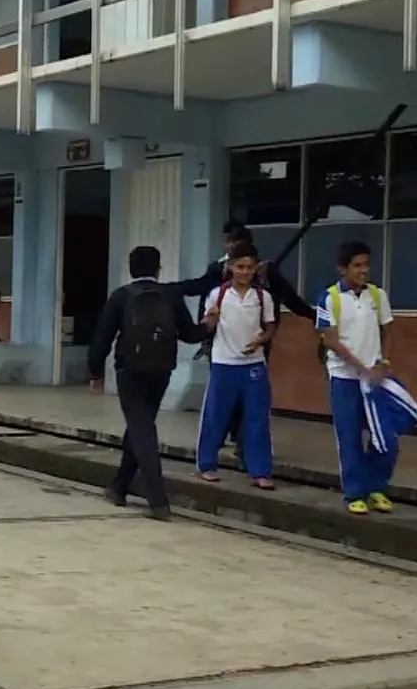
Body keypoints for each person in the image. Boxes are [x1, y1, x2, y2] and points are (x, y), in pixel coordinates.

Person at [87, 245, 206, 521]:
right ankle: (119, 487)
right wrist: (208, 325)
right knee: (140, 425)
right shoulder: (170, 295)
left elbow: (102, 337)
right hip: (162, 370)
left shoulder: (121, 296)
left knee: (142, 429)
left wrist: (95, 373)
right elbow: (189, 334)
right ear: (158, 269)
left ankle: (158, 501)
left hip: (130, 371)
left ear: (130, 269)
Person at [176, 219, 314, 455]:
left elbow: (289, 297)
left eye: (236, 244)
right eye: (228, 244)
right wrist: (172, 291)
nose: (231, 248)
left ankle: (244, 443)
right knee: (223, 397)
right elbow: (199, 289)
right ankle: (223, 438)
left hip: (256, 344)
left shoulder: (265, 272)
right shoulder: (217, 270)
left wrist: (314, 316)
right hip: (221, 344)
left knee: (251, 398)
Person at [316, 240, 399, 516]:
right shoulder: (329, 298)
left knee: (385, 436)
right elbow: (331, 340)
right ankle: (355, 493)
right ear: (343, 269)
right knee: (350, 437)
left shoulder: (377, 295)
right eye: (357, 265)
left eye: (366, 265)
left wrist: (384, 363)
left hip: (375, 380)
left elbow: (389, 331)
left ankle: (377, 487)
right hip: (344, 379)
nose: (364, 270)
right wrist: (362, 368)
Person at [194, 242, 277, 490]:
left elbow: (270, 327)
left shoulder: (262, 297)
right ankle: (207, 465)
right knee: (215, 415)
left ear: (256, 269)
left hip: (254, 364)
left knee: (257, 418)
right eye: (240, 267)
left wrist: (261, 340)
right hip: (224, 363)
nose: (244, 272)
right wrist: (211, 318)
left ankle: (260, 471)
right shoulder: (217, 294)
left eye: (249, 267)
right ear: (230, 267)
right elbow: (207, 325)